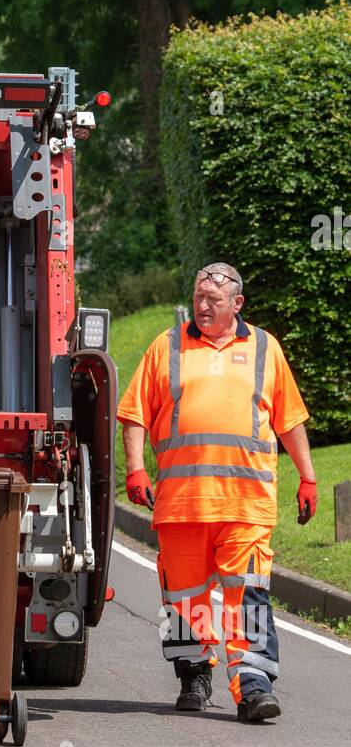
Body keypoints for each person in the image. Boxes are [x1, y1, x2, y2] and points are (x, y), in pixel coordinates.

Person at [117, 263, 317, 722]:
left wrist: (307, 476)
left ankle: (252, 685)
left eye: (213, 299)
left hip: (246, 504)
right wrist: (135, 470)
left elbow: (289, 420)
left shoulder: (265, 348)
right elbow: (134, 414)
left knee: (246, 595)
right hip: (182, 502)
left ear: (237, 304)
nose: (203, 306)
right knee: (184, 599)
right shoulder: (166, 347)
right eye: (198, 296)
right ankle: (194, 674)